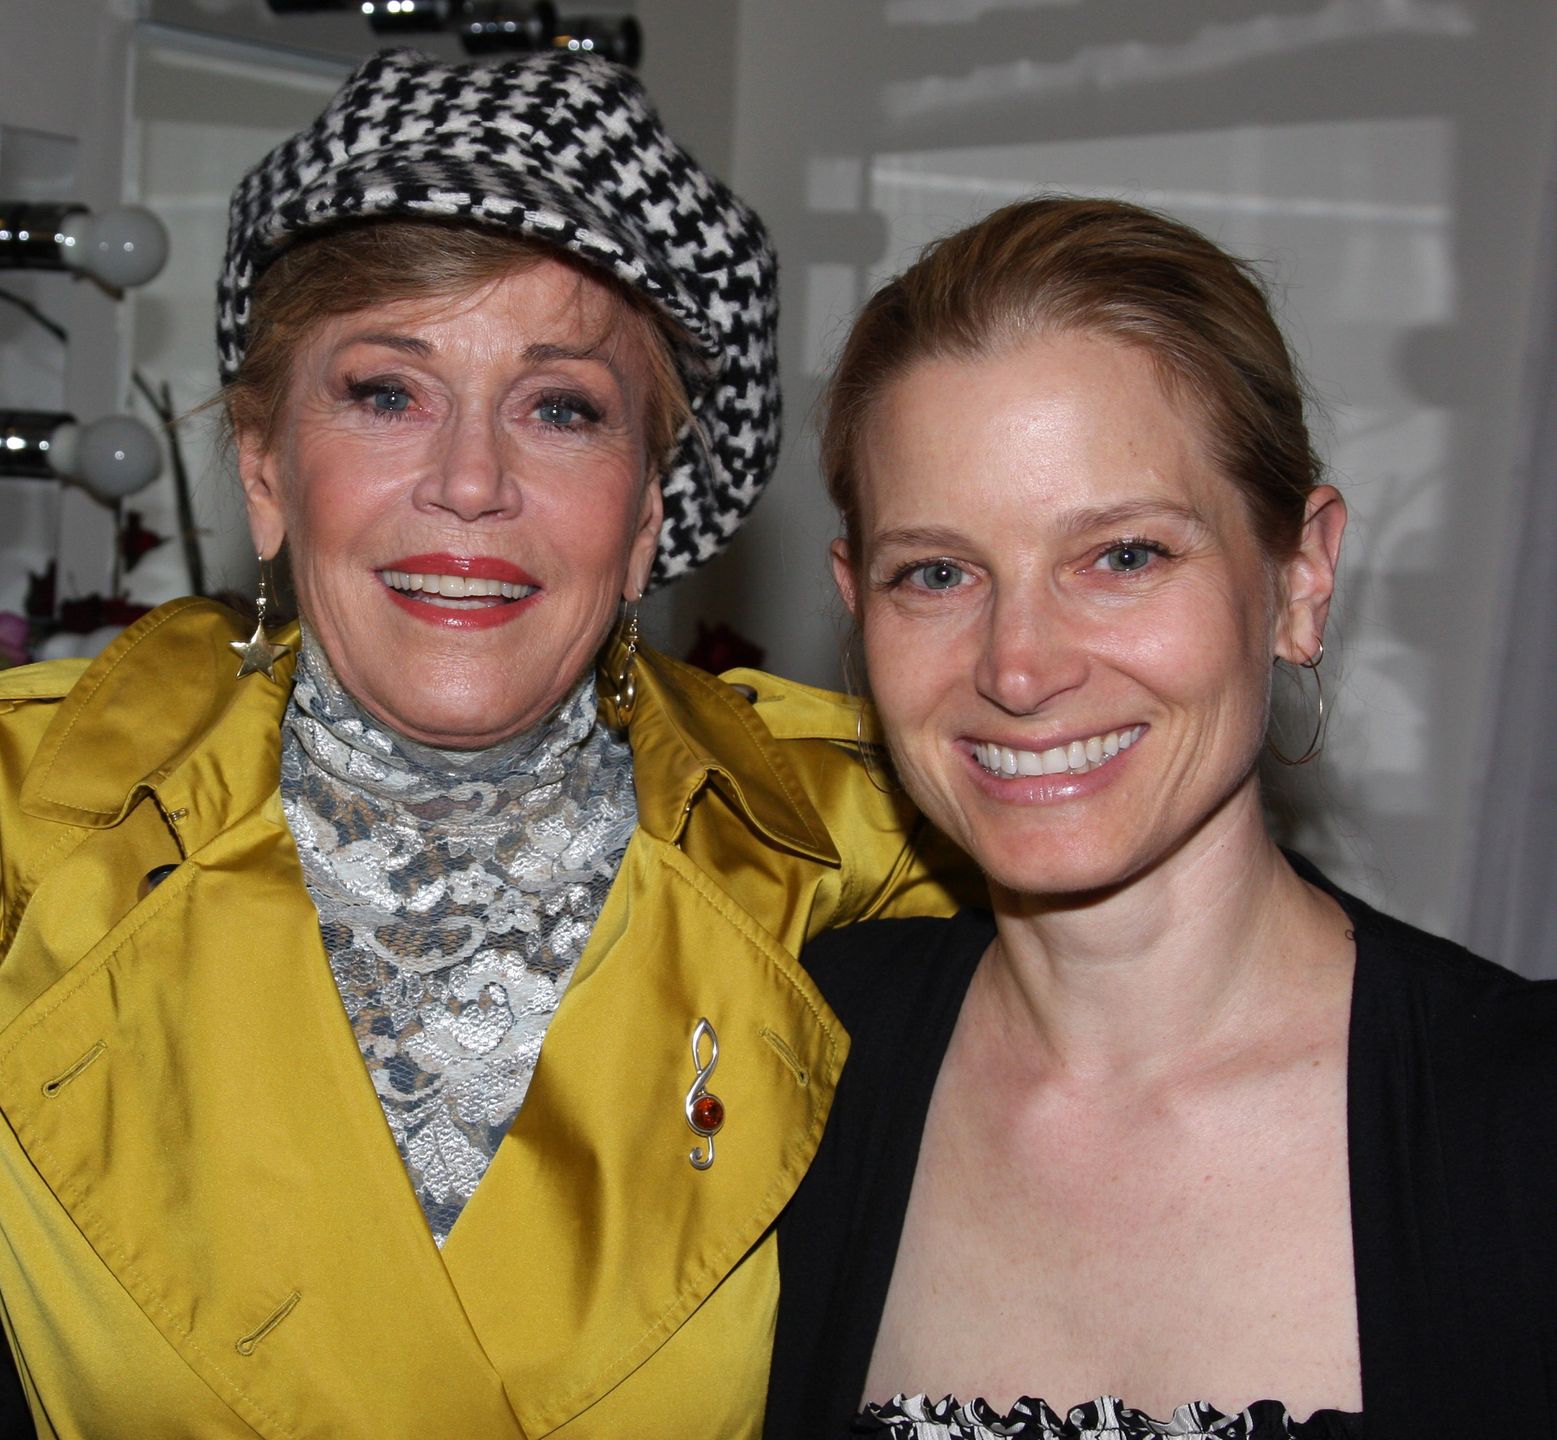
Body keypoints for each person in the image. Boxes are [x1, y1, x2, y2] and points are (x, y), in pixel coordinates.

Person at [0, 50, 968, 1439]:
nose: (469, 481)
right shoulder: (26, 824)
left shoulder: (873, 850)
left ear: (647, 511)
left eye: (560, 408)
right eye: (387, 393)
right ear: (265, 470)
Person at [765, 197, 1557, 1440]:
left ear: (1300, 576)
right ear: (856, 604)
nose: (1018, 667)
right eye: (937, 573)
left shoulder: (1522, 1124)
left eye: (1124, 555)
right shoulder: (786, 1062)